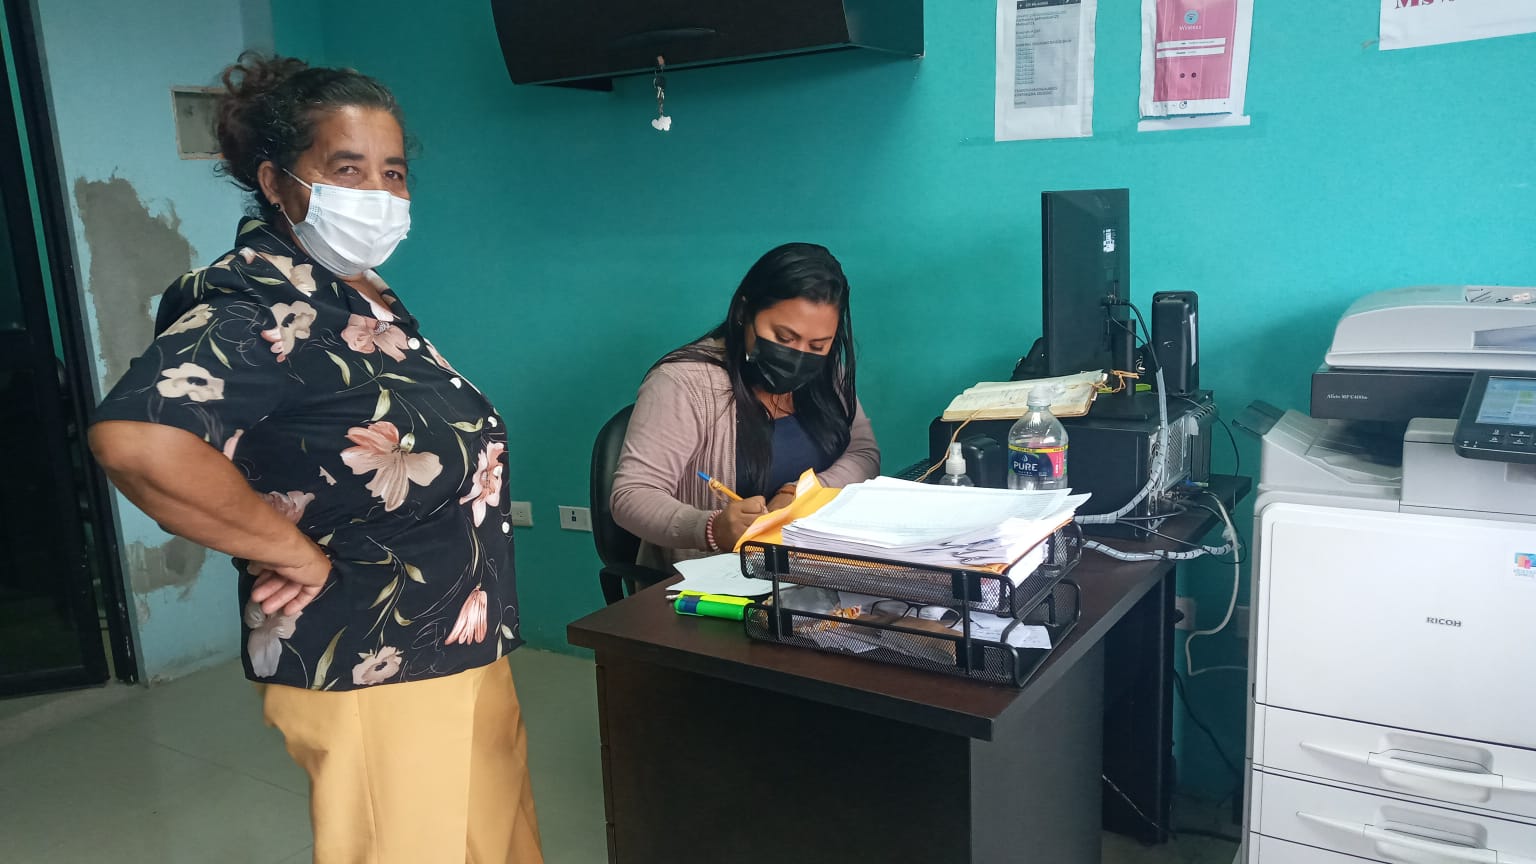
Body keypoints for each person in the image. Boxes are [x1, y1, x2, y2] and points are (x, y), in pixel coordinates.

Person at [87, 54, 541, 864]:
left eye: (393, 172)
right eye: (347, 168)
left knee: (495, 847)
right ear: (276, 180)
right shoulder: (255, 302)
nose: (379, 193)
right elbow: (140, 440)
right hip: (371, 655)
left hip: (455, 642)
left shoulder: (355, 292)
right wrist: (286, 549)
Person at [611, 243, 880, 569]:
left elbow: (864, 454)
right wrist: (711, 528)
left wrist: (802, 493)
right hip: (713, 580)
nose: (799, 357)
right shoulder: (683, 384)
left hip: (810, 568)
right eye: (784, 338)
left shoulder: (825, 373)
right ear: (743, 313)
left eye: (817, 345)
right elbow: (632, 495)